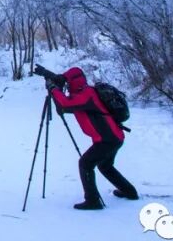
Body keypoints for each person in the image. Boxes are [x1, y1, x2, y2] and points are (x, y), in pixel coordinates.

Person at [48, 66, 139, 210]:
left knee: (85, 164)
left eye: (66, 79)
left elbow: (66, 105)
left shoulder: (87, 95)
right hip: (113, 137)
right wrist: (56, 90)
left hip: (107, 140)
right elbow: (66, 107)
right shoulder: (84, 93)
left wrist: (54, 89)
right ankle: (129, 191)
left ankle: (93, 201)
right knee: (105, 166)